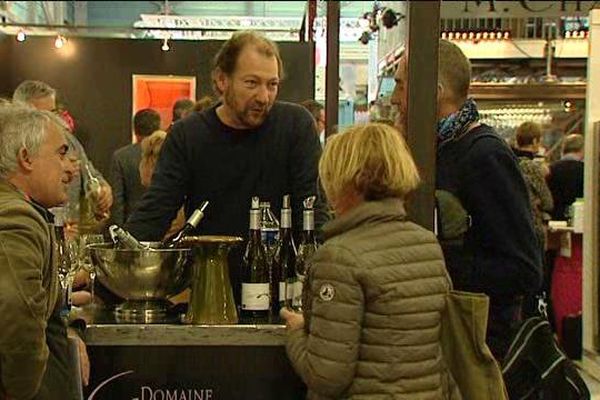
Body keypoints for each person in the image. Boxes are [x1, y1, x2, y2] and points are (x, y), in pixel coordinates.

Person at [126, 31, 326, 302]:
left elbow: (313, 213)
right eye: (252, 83)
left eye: (272, 84)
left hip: (284, 297)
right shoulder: (189, 135)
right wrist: (107, 268)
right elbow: (155, 213)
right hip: (211, 294)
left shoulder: (295, 126)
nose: (264, 97)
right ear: (222, 80)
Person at [391, 40, 542, 360]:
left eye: (400, 85)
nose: (394, 98)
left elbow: (523, 269)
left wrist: (431, 264)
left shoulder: (483, 154)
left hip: (480, 344)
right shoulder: (435, 150)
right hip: (446, 340)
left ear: (433, 91)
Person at [281, 123, 455, 398]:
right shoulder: (426, 243)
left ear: (347, 178)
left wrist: (296, 332)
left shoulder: (339, 257)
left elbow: (327, 376)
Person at [0, 102, 88, 399]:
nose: (70, 168)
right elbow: (18, 309)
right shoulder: (16, 217)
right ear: (26, 157)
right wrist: (21, 391)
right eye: (61, 153)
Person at [12, 80, 113, 236]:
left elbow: (90, 173)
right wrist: (53, 234)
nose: (52, 121)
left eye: (53, 113)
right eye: (42, 116)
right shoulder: (10, 148)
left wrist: (102, 191)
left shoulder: (68, 139)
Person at [108, 108, 161, 226]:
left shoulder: (121, 157)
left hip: (132, 226)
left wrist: (119, 233)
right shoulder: (169, 153)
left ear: (135, 130)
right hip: (164, 225)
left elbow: (117, 201)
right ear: (158, 127)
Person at [547, 134, 584, 221]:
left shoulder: (550, 169)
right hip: (580, 218)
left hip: (555, 219)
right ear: (582, 149)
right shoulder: (587, 170)